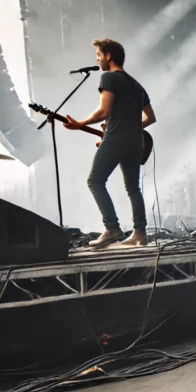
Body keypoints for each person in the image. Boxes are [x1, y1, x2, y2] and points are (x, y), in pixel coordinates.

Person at [64, 38, 155, 249]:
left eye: (98, 55)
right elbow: (151, 117)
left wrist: (80, 123)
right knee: (133, 188)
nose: (97, 60)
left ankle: (112, 227)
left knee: (95, 181)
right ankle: (140, 233)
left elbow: (104, 111)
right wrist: (131, 127)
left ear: (108, 56)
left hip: (116, 138)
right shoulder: (137, 86)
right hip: (136, 143)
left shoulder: (109, 77)